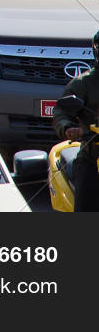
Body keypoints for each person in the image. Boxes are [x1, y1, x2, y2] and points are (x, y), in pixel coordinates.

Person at [52, 31, 99, 211]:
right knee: (87, 206)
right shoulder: (83, 83)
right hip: (92, 156)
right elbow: (61, 112)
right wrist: (68, 127)